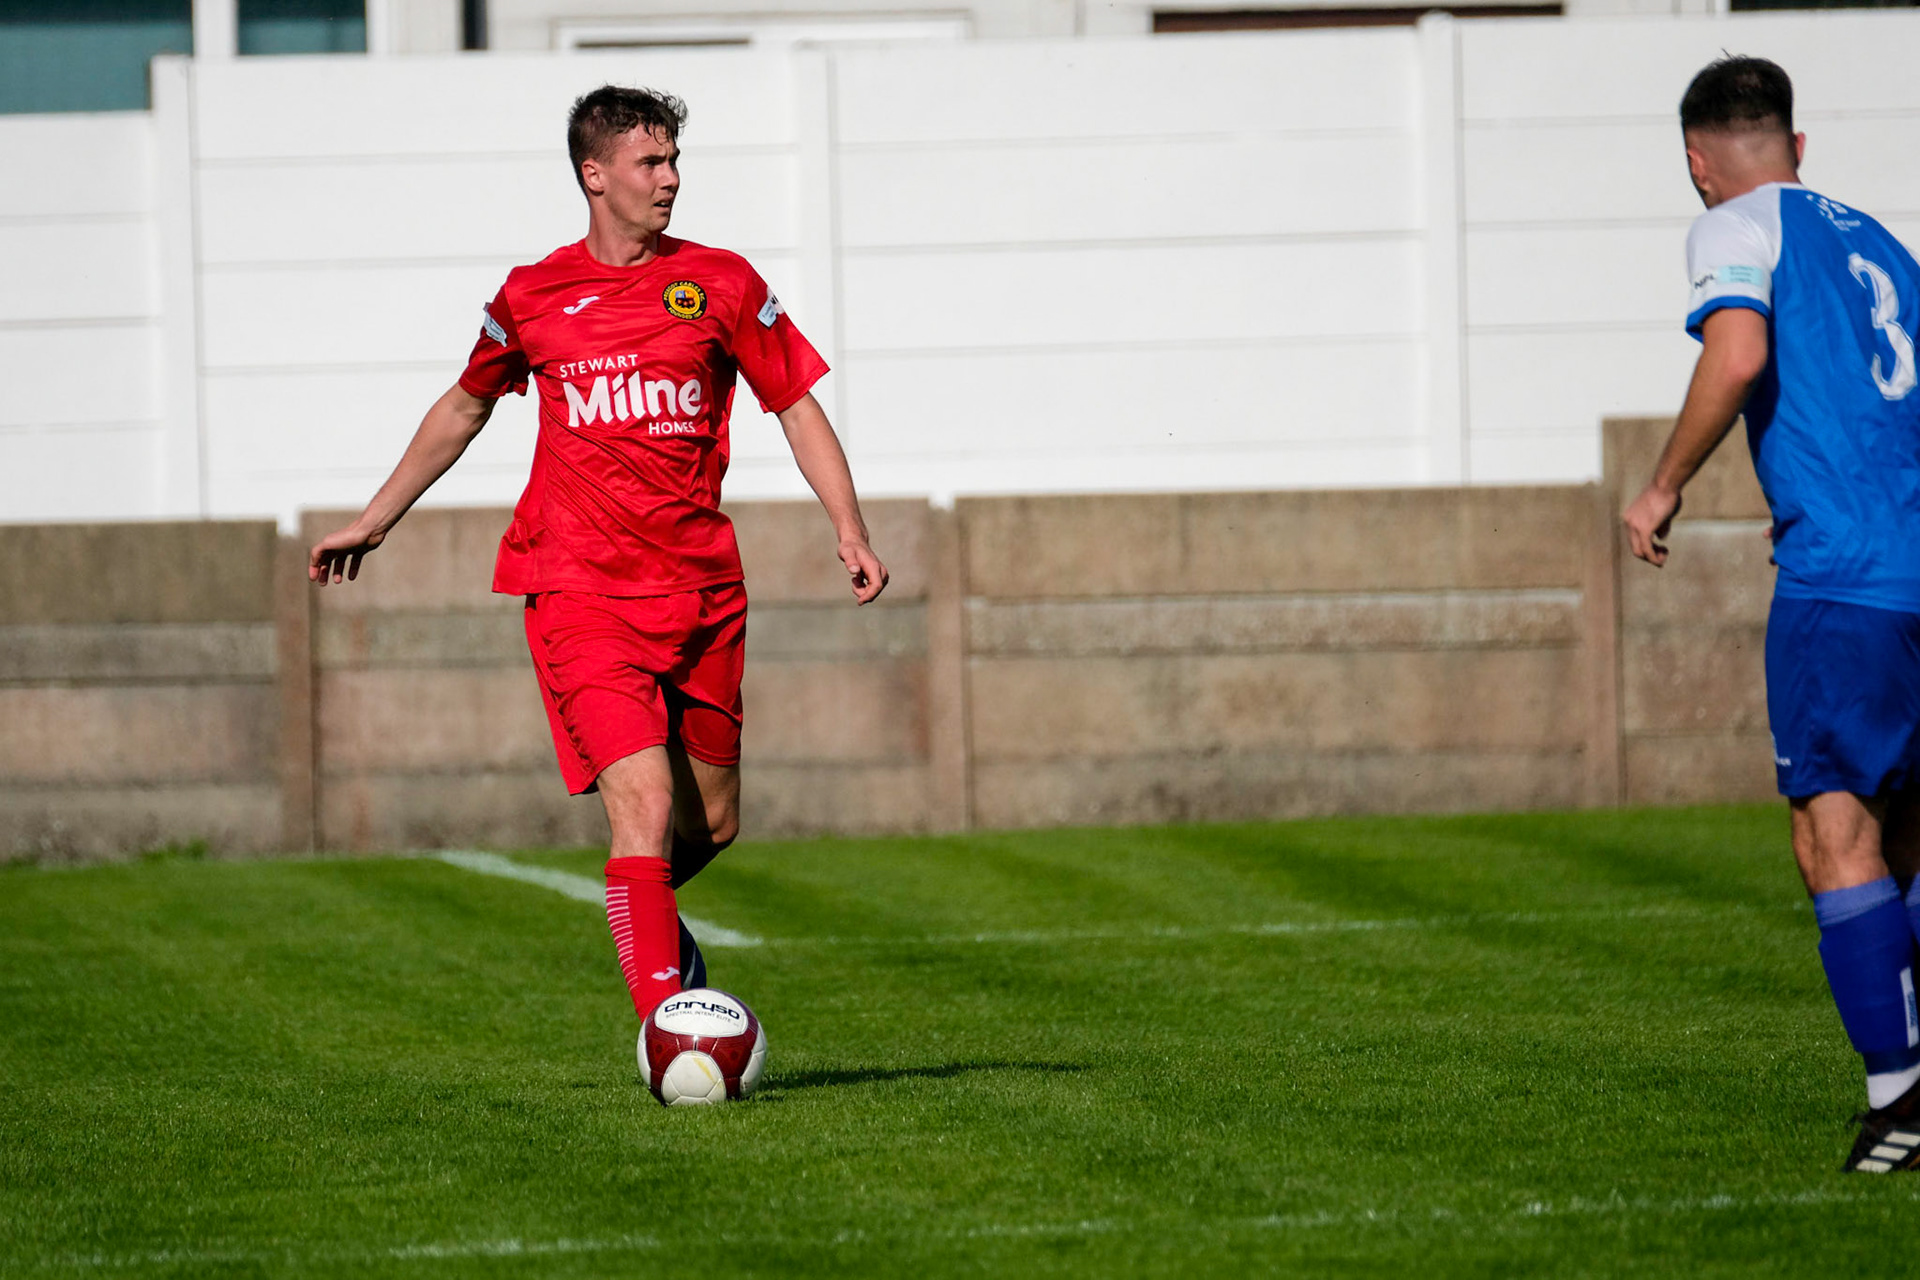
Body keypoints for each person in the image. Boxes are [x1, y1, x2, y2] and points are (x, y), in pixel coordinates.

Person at [308, 84, 889, 1051]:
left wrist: (850, 528)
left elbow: (794, 402)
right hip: (578, 590)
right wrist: (375, 520)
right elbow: (465, 405)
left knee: (710, 827)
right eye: (650, 162)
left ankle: (637, 909)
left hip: (703, 592)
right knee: (645, 809)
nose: (670, 179)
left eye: (673, 160)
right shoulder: (532, 295)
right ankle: (672, 1038)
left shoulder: (722, 283)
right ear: (594, 174)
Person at [1623, 56, 1920, 1172]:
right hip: (1905, 554)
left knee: (1833, 834)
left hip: (1845, 578)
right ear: (1798, 146)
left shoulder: (1732, 223)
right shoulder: (1881, 243)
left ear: (1697, 163)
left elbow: (1738, 351)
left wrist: (1664, 485)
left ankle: (1902, 1102)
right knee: (1907, 834)